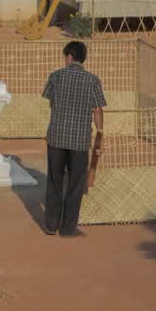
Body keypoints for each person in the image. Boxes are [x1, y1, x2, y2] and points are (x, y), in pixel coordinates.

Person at [42, 41, 106, 237]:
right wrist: (100, 134)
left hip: (56, 137)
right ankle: (68, 228)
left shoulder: (55, 76)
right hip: (79, 141)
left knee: (55, 181)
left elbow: (51, 103)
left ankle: (51, 225)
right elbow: (97, 110)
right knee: (75, 185)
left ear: (69, 57)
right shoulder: (93, 80)